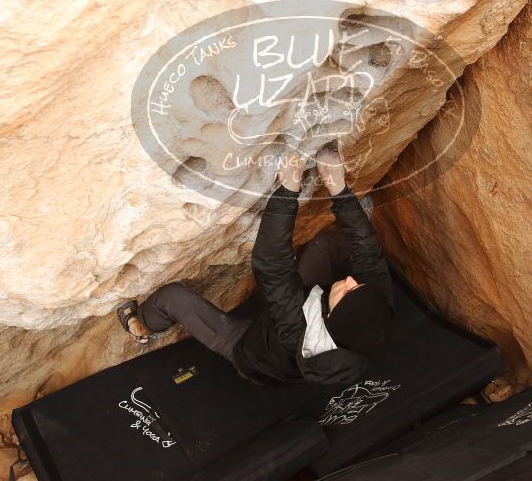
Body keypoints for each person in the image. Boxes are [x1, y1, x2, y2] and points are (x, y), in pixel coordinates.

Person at [117, 146, 394, 385]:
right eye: (358, 284)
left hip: (252, 353)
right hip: (303, 307)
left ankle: (144, 323)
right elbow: (369, 254)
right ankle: (348, 229)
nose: (349, 281)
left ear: (332, 318)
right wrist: (338, 189)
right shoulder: (377, 308)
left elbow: (272, 264)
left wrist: (287, 190)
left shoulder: (296, 328)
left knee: (172, 297)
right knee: (327, 245)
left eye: (348, 292)